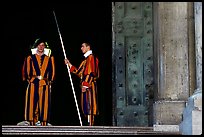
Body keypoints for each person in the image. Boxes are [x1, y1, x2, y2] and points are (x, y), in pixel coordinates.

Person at [22, 38, 55, 126]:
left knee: (44, 103)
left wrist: (49, 81)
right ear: (36, 46)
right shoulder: (30, 58)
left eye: (43, 45)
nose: (41, 47)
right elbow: (26, 70)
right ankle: (31, 121)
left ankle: (44, 122)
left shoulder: (49, 58)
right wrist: (31, 79)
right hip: (33, 83)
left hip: (44, 83)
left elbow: (52, 71)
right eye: (39, 45)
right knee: (32, 102)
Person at [64, 42, 100, 126]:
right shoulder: (86, 60)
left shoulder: (91, 58)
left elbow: (91, 73)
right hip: (86, 85)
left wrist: (86, 85)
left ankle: (91, 124)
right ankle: (89, 123)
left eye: (83, 46)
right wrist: (69, 64)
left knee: (90, 106)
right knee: (86, 106)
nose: (81, 48)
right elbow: (79, 72)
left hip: (89, 86)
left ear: (88, 47)